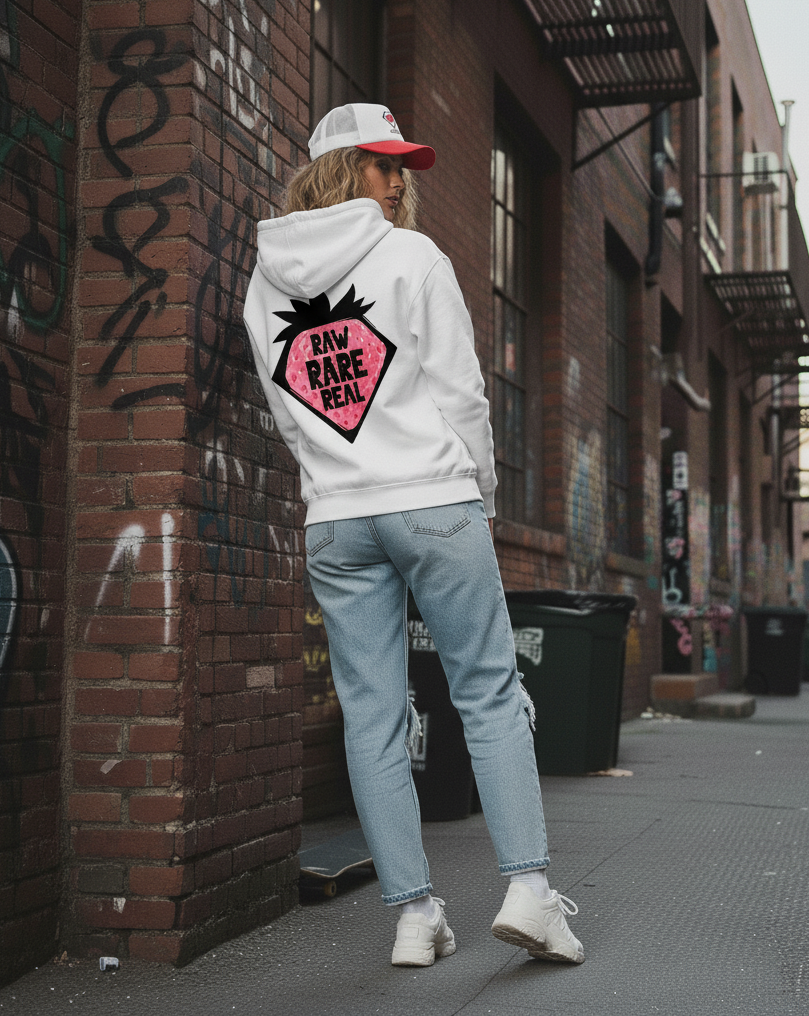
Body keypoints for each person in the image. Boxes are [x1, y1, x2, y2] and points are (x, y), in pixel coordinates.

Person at [242, 102, 583, 968]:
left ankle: (414, 916)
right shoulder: (413, 257)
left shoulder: (264, 285)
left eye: (403, 167)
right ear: (343, 167)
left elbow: (288, 414)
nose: (399, 181)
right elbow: (462, 393)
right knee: (489, 693)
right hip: (433, 500)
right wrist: (483, 492)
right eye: (384, 163)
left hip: (336, 519)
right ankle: (530, 891)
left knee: (371, 718)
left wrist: (334, 479)